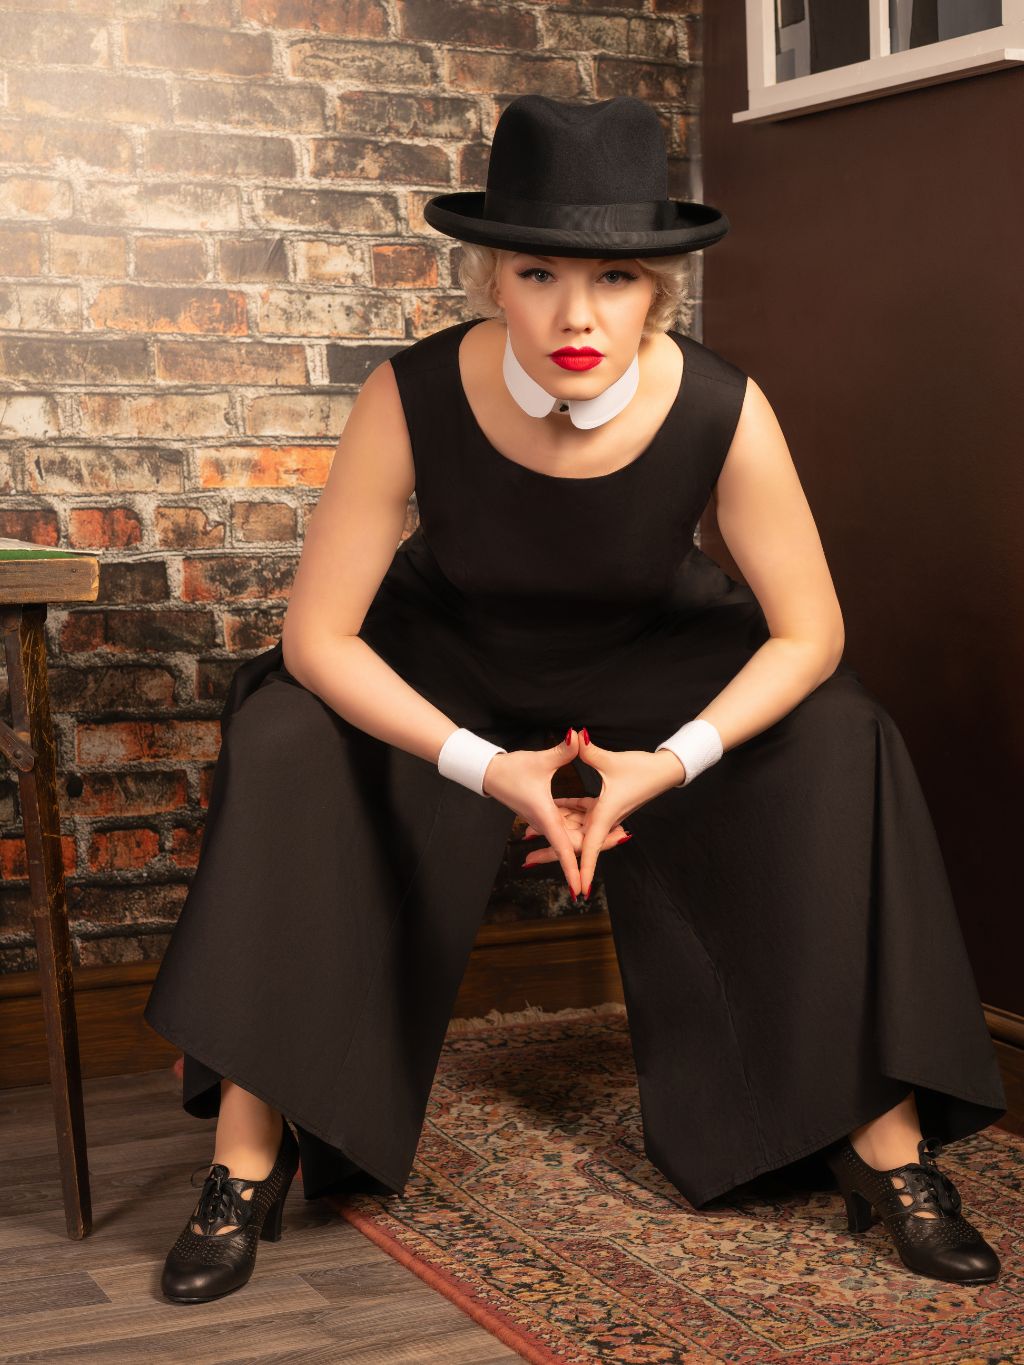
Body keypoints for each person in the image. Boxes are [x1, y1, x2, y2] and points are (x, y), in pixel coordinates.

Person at [145, 94, 1006, 1304]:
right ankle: (249, 1149)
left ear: (660, 292)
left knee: (840, 735)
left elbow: (811, 632)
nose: (574, 315)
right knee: (288, 728)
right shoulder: (408, 394)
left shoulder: (722, 405)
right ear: (493, 276)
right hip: (450, 659)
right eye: (538, 273)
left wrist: (674, 760)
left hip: (656, 662)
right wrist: (483, 766)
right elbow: (320, 634)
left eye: (614, 278)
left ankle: (883, 1142)